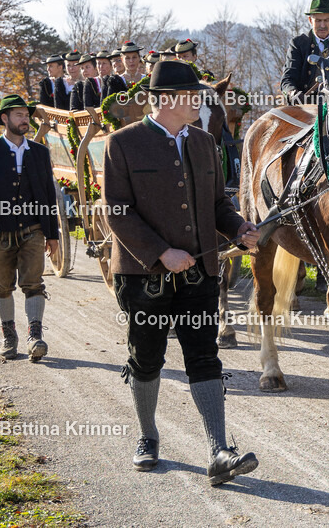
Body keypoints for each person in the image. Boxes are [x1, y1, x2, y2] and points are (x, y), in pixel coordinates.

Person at [103, 60, 260, 483]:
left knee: (204, 357)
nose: (201, 102)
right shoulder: (122, 144)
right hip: (142, 276)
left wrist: (239, 228)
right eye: (194, 95)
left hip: (200, 274)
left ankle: (219, 450)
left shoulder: (206, 143)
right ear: (168, 99)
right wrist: (160, 252)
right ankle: (148, 436)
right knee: (147, 358)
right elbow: (116, 212)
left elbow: (217, 206)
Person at [0, 95, 60, 361]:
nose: (25, 120)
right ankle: (9, 336)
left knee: (34, 283)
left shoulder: (40, 152)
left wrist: (52, 234)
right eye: (19, 115)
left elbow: (47, 193)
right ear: (5, 119)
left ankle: (35, 336)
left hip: (33, 228)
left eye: (26, 115)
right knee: (2, 286)